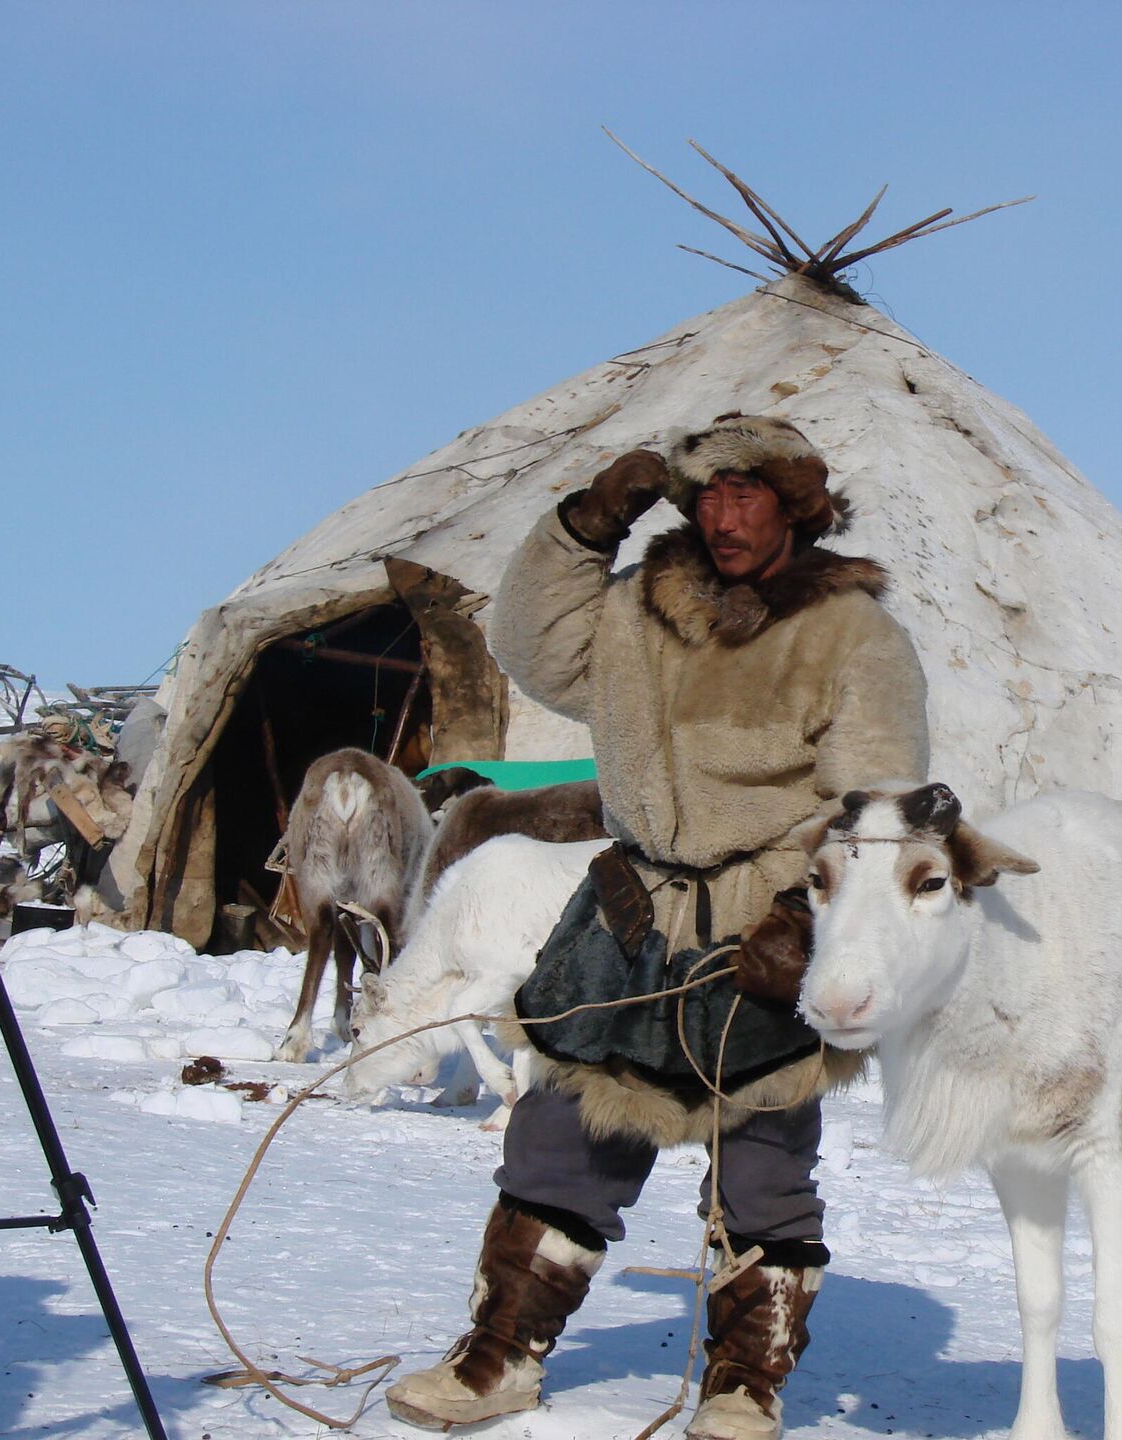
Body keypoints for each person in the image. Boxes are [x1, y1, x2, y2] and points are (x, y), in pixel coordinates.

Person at [385, 414, 929, 1436]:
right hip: (634, 910)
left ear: (795, 505)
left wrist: (808, 922)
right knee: (562, 1134)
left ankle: (744, 1381)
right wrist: (586, 528)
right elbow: (529, 645)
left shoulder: (853, 634)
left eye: (747, 493)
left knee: (763, 1159)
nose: (723, 515)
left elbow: (877, 796)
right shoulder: (638, 608)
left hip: (770, 914)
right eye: (706, 495)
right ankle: (499, 1355)